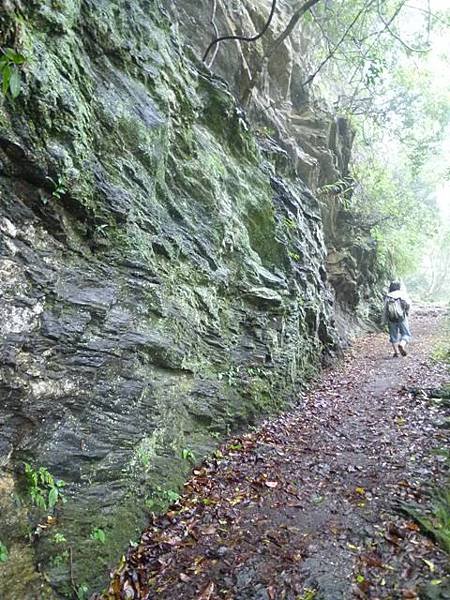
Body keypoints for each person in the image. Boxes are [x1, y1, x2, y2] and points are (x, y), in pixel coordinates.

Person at [383, 281, 411, 357]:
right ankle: (402, 344)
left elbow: (385, 309)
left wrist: (384, 321)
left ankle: (396, 353)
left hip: (391, 318)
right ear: (399, 287)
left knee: (393, 336)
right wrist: (406, 312)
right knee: (406, 334)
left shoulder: (388, 296)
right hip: (402, 317)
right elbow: (408, 304)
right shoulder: (402, 294)